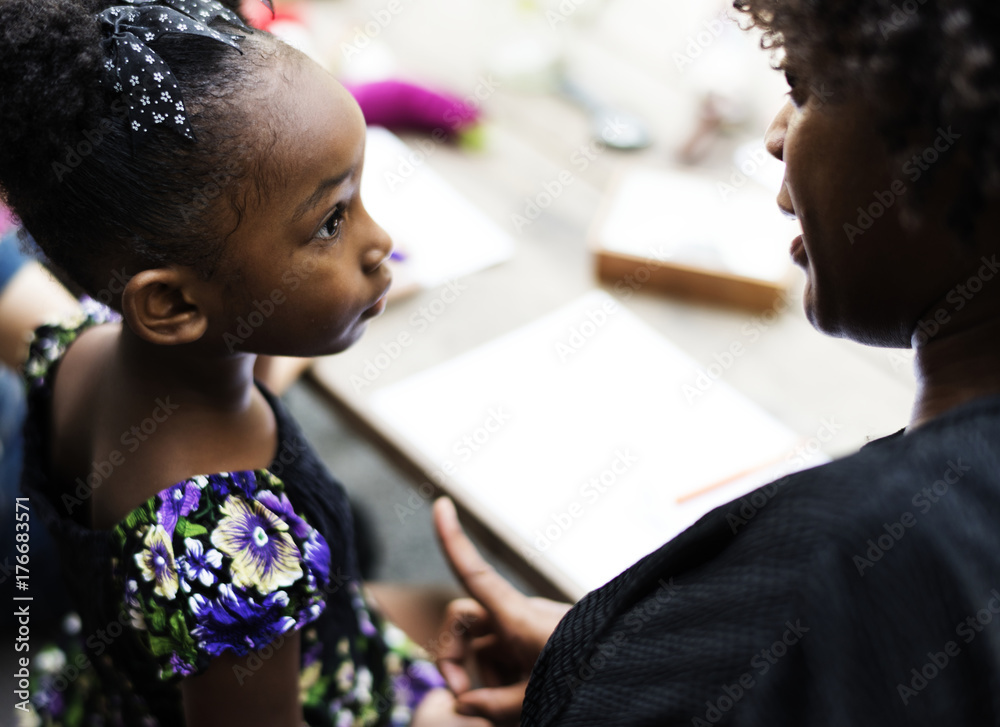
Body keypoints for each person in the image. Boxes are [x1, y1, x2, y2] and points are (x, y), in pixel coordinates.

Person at [429, 1, 1000, 725]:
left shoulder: (851, 562)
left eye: (803, 88)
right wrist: (623, 668)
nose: (774, 137)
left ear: (952, 139)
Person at [1, 1, 492, 725]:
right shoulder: (230, 547)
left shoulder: (72, 351)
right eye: (331, 219)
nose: (380, 239)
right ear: (171, 304)